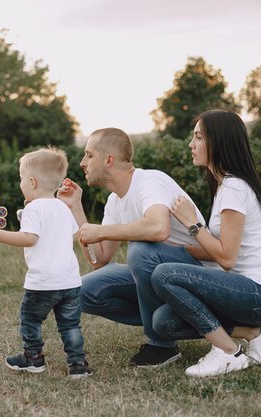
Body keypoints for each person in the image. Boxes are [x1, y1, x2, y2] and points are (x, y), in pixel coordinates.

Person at [149, 109, 261, 377]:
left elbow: (227, 258)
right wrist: (176, 250)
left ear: (217, 142)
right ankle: (255, 333)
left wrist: (191, 224)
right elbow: (220, 249)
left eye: (198, 137)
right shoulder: (225, 186)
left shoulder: (234, 188)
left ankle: (228, 352)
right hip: (252, 291)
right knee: (163, 322)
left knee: (164, 276)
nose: (191, 144)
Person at [58, 127, 215, 367]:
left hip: (198, 277)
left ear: (109, 160)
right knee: (82, 291)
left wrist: (101, 230)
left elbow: (158, 229)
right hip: (160, 277)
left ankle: (160, 344)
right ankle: (161, 322)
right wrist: (76, 209)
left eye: (89, 155)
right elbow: (99, 259)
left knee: (141, 250)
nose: (82, 163)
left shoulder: (149, 181)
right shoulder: (114, 200)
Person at [0, 146, 92, 379]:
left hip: (43, 283)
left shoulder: (33, 208)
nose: (20, 183)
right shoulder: (62, 207)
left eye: (21, 178)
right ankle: (78, 364)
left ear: (31, 182)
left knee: (30, 318)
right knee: (70, 326)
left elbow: (29, 238)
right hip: (70, 282)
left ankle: (33, 358)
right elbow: (75, 234)